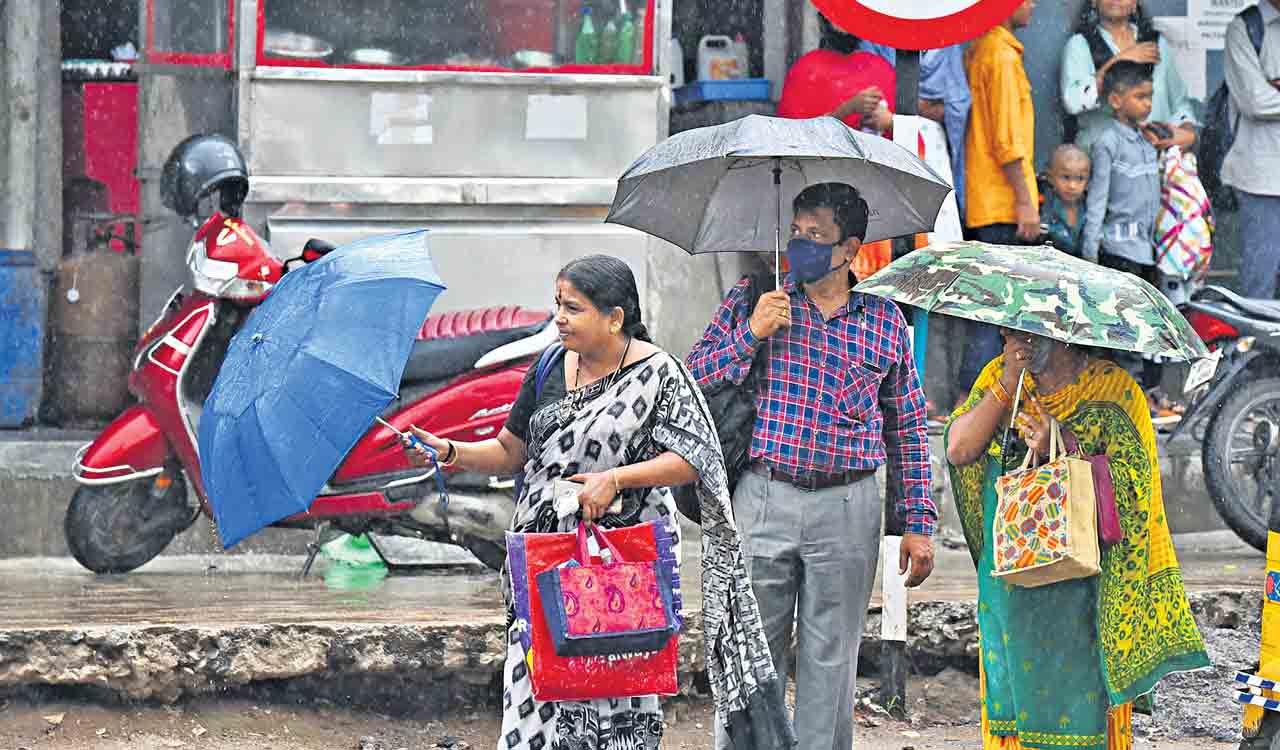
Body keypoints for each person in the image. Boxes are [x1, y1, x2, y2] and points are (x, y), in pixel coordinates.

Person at [404, 255, 791, 750]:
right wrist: (451, 451)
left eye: (575, 308)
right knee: (536, 686)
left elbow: (695, 457)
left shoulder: (659, 374)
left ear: (614, 317)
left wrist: (615, 478)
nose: (560, 318)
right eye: (558, 306)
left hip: (620, 567)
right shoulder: (546, 366)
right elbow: (510, 452)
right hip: (545, 564)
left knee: (616, 688)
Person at [687, 182, 936, 750]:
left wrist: (917, 523)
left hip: (848, 507)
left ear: (849, 249)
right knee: (749, 653)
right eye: (796, 234)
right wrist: (750, 335)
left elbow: (907, 427)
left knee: (832, 657)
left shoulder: (884, 321)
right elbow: (691, 384)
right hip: (761, 496)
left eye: (816, 237)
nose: (801, 246)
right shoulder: (756, 298)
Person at [944, 332, 1209, 750]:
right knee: (1011, 718)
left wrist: (1064, 444)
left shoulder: (1115, 389)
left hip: (1085, 599)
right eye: (1008, 328)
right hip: (1011, 589)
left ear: (1063, 331)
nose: (1013, 336)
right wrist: (1008, 381)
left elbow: (1136, 492)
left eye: (1027, 328)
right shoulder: (999, 375)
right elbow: (959, 450)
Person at [959, 0, 1038, 395]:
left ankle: (977, 396)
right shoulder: (1000, 57)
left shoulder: (985, 48)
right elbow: (1008, 142)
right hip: (1002, 202)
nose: (1034, 5)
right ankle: (979, 398)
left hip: (988, 199)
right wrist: (1026, 201)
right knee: (997, 310)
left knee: (987, 307)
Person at [854, 41, 973, 217]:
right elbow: (871, 100)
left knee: (933, 224)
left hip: (933, 149)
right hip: (886, 151)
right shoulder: (874, 37)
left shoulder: (946, 41)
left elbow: (956, 105)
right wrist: (919, 108)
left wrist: (905, 104)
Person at [1061, 0, 1198, 154]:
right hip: (1104, 163)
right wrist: (1117, 61)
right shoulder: (1080, 44)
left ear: (1135, 3)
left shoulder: (1156, 43)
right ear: (1094, 2)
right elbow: (1073, 101)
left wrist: (1187, 134)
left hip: (1153, 162)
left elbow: (1179, 105)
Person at [1223, 0, 1280, 299]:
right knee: (1260, 280)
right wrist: (1267, 91)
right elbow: (1255, 101)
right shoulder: (1245, 28)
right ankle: (1259, 346)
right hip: (1262, 178)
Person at [1040, 144, 1091, 257]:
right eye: (1066, 177)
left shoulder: (1091, 210)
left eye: (1080, 178)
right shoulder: (1042, 206)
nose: (1072, 186)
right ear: (1050, 176)